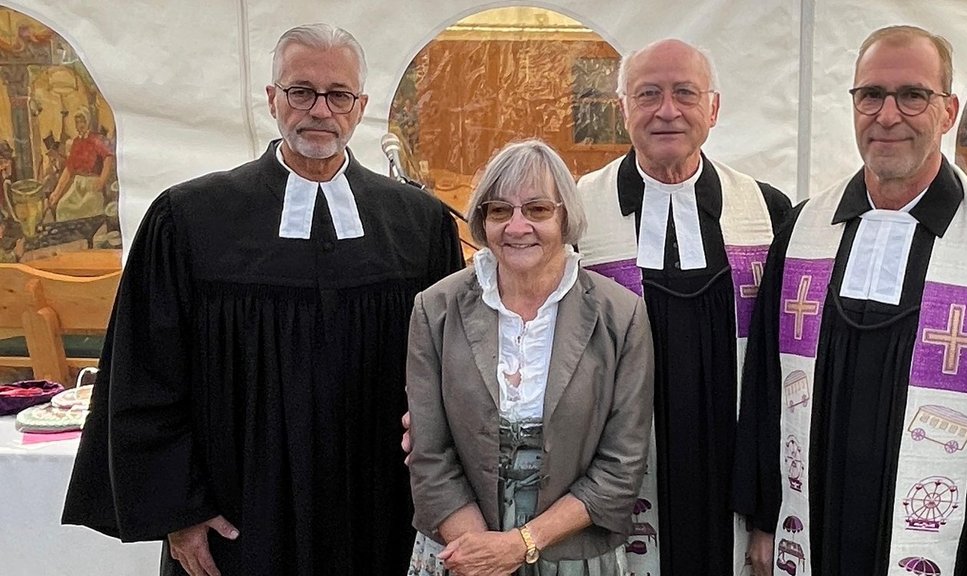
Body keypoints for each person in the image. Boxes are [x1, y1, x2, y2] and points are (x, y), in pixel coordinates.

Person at [62, 24, 463, 576]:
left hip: (377, 506)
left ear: (361, 107)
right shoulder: (190, 219)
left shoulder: (419, 225)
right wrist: (180, 510)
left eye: (338, 95)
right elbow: (146, 373)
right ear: (273, 99)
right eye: (301, 91)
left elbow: (449, 371)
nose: (319, 110)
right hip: (239, 512)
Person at [732, 25, 967, 576]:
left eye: (913, 95)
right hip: (816, 528)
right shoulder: (803, 233)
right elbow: (767, 386)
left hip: (948, 542)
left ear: (949, 111)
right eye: (871, 95)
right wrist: (764, 516)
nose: (887, 116)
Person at [575, 38, 792, 576]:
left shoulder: (767, 210)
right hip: (623, 463)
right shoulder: (578, 210)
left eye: (685, 93)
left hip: (733, 464)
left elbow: (782, 367)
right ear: (623, 108)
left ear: (713, 109)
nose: (667, 110)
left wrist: (768, 508)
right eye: (648, 94)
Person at [405, 139, 653, 576]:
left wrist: (519, 545)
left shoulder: (621, 315)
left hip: (572, 554)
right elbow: (429, 453)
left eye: (537, 209)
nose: (517, 226)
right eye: (499, 210)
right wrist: (481, 554)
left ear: (565, 217)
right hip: (463, 552)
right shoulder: (435, 309)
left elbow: (621, 465)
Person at [48, 111, 115, 221]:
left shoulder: (96, 139)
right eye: (77, 122)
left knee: (85, 209)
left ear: (88, 122)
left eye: (82, 121)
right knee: (62, 206)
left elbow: (108, 157)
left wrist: (102, 180)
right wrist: (56, 192)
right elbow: (69, 169)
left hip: (92, 184)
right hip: (77, 184)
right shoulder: (76, 142)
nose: (80, 125)